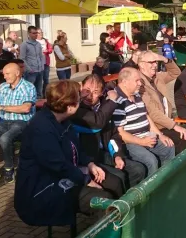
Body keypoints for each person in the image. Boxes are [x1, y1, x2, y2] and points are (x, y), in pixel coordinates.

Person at [14, 80, 118, 228]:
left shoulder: (62, 119)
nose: (82, 98)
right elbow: (58, 165)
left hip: (61, 175)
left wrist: (89, 164)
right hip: (41, 191)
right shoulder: (41, 128)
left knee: (115, 182)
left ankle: (124, 228)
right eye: (79, 98)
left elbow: (75, 147)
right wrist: (87, 180)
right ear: (70, 107)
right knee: (105, 200)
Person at [72, 75, 146, 189]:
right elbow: (97, 123)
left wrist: (117, 155)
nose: (89, 95)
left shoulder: (104, 106)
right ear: (81, 87)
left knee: (138, 169)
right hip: (87, 158)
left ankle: (129, 198)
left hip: (104, 153)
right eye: (87, 90)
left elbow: (113, 134)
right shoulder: (76, 108)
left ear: (102, 93)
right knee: (118, 178)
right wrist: (112, 101)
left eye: (96, 91)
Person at [112, 68, 175, 176]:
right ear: (125, 82)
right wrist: (141, 141)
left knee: (168, 147)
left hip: (146, 136)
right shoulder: (118, 101)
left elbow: (146, 117)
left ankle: (166, 179)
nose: (140, 84)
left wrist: (160, 135)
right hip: (130, 143)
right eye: (136, 80)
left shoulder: (136, 96)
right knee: (151, 161)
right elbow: (120, 133)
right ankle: (151, 190)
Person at [138, 51, 186, 154]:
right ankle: (177, 165)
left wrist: (164, 59)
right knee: (185, 136)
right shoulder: (139, 83)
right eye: (151, 62)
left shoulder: (157, 77)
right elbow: (153, 113)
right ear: (142, 64)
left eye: (156, 62)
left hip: (167, 122)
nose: (155, 65)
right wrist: (174, 126)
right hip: (156, 127)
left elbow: (176, 73)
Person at [20, 26, 45, 98]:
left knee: (39, 91)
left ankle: (39, 108)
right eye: (34, 33)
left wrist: (42, 66)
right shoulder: (24, 44)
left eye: (36, 33)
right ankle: (31, 107)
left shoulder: (38, 44)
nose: (36, 35)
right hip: (31, 72)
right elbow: (22, 58)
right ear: (29, 34)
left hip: (39, 70)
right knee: (30, 92)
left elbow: (41, 56)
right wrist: (29, 69)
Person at [36, 28, 54, 94]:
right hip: (38, 64)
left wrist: (47, 51)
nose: (41, 34)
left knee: (46, 79)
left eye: (41, 32)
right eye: (39, 33)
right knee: (39, 80)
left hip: (46, 63)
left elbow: (50, 49)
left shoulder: (45, 41)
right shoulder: (34, 41)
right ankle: (39, 94)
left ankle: (45, 93)